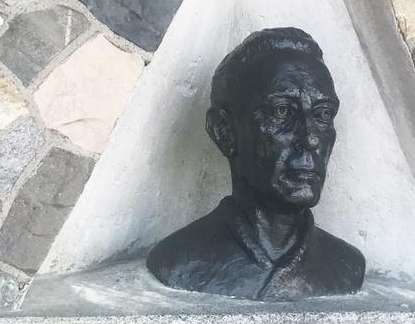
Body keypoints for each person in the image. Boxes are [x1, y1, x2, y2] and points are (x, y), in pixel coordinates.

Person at [146, 27, 365, 301]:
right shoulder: (179, 261)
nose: (310, 139)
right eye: (282, 111)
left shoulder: (345, 264)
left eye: (323, 115)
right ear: (224, 131)